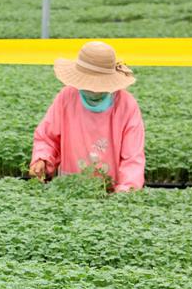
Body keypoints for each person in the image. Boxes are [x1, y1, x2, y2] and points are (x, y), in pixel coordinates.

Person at [30, 41, 145, 192]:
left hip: (111, 192)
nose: (93, 91)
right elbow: (47, 137)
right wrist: (42, 159)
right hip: (69, 190)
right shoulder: (67, 97)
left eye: (99, 87)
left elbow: (133, 156)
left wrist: (126, 189)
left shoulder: (126, 105)